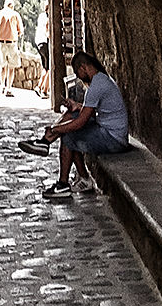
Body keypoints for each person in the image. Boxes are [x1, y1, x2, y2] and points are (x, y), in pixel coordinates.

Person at [19, 50, 128, 199]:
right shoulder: (101, 80)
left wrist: (54, 129)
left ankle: (63, 183)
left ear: (83, 67)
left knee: (69, 137)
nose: (78, 76)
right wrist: (77, 106)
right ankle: (46, 144)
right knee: (72, 114)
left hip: (114, 139)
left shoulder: (97, 85)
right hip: (108, 131)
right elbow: (86, 112)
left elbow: (80, 123)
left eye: (77, 72)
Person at [0, 0, 24, 96]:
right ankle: (9, 87)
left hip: (1, 42)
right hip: (12, 43)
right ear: (12, 6)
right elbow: (20, 30)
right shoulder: (15, 15)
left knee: (2, 65)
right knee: (11, 67)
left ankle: (2, 85)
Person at [34, 0, 50, 98]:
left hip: (39, 42)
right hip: (45, 42)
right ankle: (44, 90)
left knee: (45, 66)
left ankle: (39, 86)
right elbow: (47, 30)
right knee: (50, 67)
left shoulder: (41, 16)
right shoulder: (48, 18)